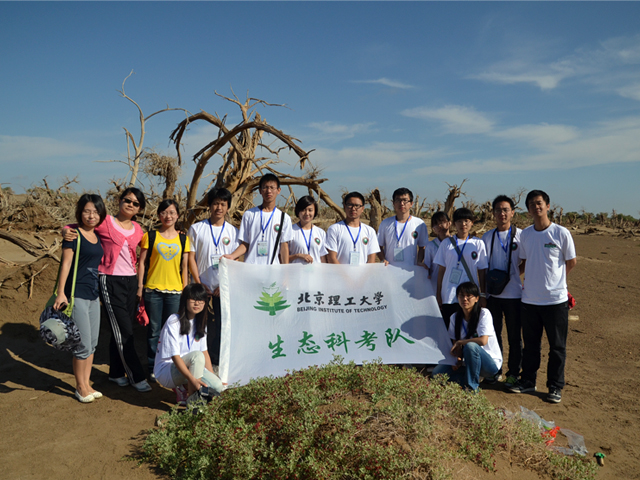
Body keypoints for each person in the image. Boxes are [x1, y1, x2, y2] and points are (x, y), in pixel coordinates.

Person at [65, 187, 151, 392]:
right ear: (120, 201)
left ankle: (115, 373)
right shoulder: (106, 222)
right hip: (109, 280)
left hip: (130, 281)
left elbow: (150, 246)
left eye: (135, 203)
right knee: (125, 330)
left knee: (118, 329)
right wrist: (64, 230)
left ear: (139, 209)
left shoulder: (138, 229)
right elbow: (79, 225)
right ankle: (136, 376)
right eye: (127, 200)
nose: (130, 205)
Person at [508, 190, 576, 404]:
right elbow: (525, 261)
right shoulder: (526, 235)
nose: (536, 207)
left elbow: (571, 262)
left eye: (539, 203)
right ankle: (528, 380)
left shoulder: (561, 233)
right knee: (531, 345)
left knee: (557, 347)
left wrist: (557, 283)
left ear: (547, 206)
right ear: (528, 210)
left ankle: (555, 386)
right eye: (531, 204)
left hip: (555, 301)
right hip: (529, 300)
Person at [54, 194, 106, 403]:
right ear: (80, 213)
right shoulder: (73, 235)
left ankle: (87, 383)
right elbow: (65, 264)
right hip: (77, 295)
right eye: (87, 211)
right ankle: (80, 386)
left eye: (95, 212)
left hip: (93, 295)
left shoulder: (97, 235)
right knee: (82, 343)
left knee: (92, 343)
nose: (91, 216)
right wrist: (61, 293)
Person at [137, 199, 190, 379]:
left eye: (172, 212)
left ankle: (169, 365)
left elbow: (185, 267)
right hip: (153, 290)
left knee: (172, 331)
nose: (168, 216)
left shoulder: (183, 239)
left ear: (177, 215)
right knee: (154, 330)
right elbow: (142, 263)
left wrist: (185, 290)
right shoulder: (150, 236)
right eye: (164, 212)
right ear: (159, 215)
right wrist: (140, 287)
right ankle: (153, 365)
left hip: (175, 292)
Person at [188, 187, 239, 365]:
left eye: (223, 204)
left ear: (228, 207)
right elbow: (191, 258)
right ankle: (197, 358)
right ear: (209, 205)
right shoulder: (196, 228)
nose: (219, 207)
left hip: (223, 287)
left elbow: (235, 260)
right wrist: (198, 283)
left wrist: (224, 284)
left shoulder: (233, 232)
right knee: (199, 324)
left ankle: (218, 360)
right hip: (202, 286)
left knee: (222, 325)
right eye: (216, 203)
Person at [153, 283, 223, 405]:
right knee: (196, 357)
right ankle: (193, 405)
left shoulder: (201, 322)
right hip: (168, 370)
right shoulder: (174, 321)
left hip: (192, 365)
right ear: (185, 300)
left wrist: (212, 376)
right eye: (193, 299)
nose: (197, 303)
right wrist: (193, 381)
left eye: (201, 300)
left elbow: (204, 351)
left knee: (217, 386)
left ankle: (184, 387)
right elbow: (175, 357)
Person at [482, 195, 524, 388]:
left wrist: (512, 275)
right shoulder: (487, 237)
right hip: (493, 295)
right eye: (498, 210)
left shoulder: (521, 236)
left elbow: (526, 261)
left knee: (514, 336)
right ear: (493, 213)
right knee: (493, 335)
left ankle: (513, 373)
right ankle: (495, 371)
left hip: (514, 294)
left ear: (512, 212)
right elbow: (483, 265)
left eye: (506, 210)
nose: (502, 213)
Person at [432, 282, 502, 392]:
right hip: (467, 361)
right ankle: (469, 379)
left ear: (477, 298)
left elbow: (483, 341)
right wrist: (458, 359)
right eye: (461, 295)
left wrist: (461, 342)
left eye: (469, 296)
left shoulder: (484, 314)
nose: (464, 299)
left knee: (471, 346)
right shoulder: (454, 317)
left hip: (489, 363)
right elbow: (456, 347)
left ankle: (472, 389)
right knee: (437, 373)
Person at [434, 207, 488, 328]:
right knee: (449, 329)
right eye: (459, 221)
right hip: (449, 294)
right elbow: (441, 271)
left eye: (466, 221)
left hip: (470, 296)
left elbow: (482, 271)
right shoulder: (446, 243)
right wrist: (438, 294)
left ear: (472, 223)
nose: (463, 224)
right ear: (454, 223)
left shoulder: (478, 243)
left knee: (469, 329)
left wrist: (483, 295)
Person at [225, 174, 292, 265]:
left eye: (272, 187)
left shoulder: (284, 218)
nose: (269, 191)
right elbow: (245, 244)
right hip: (252, 267)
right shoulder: (249, 214)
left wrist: (286, 270)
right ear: (260, 190)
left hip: (272, 268)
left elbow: (284, 247)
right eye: (265, 187)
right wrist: (232, 256)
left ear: (278, 190)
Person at [377, 187, 428, 268]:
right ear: (393, 203)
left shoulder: (419, 224)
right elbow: (378, 246)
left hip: (410, 269)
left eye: (405, 200)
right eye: (398, 200)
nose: (401, 203)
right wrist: (383, 259)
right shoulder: (385, 223)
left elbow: (423, 247)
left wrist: (419, 261)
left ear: (411, 203)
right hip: (389, 270)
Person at [326, 192, 380, 265]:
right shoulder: (334, 229)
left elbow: (371, 259)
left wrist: (365, 273)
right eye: (350, 205)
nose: (353, 209)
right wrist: (342, 272)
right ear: (344, 207)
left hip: (363, 272)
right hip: (339, 272)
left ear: (362, 208)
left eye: (357, 205)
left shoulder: (370, 231)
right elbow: (331, 257)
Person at [289, 195, 328, 264]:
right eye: (303, 210)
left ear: (315, 211)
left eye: (310, 210)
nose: (307, 213)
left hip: (316, 270)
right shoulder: (290, 230)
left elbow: (322, 258)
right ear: (298, 211)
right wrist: (298, 255)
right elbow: (281, 257)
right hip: (295, 270)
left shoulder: (320, 232)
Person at [422, 211, 451, 296]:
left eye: (442, 222)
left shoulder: (457, 243)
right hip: (435, 284)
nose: (439, 226)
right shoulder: (430, 246)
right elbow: (427, 266)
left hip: (452, 284)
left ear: (449, 223)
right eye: (435, 224)